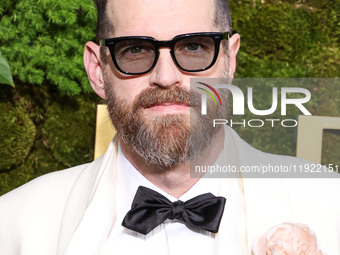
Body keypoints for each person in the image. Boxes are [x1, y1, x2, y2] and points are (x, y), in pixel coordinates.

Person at [0, 0, 339, 254]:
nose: (165, 77)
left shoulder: (330, 204)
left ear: (230, 59)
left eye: (193, 47)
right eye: (135, 49)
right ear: (96, 69)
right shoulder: (12, 225)